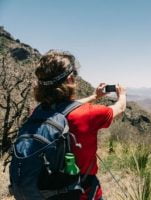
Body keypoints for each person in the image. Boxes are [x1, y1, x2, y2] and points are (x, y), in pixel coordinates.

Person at [34, 50, 126, 199]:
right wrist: (121, 94)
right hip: (80, 192)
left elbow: (67, 107)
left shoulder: (38, 112)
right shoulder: (87, 114)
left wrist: (95, 96)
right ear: (70, 79)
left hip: (44, 190)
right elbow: (120, 108)